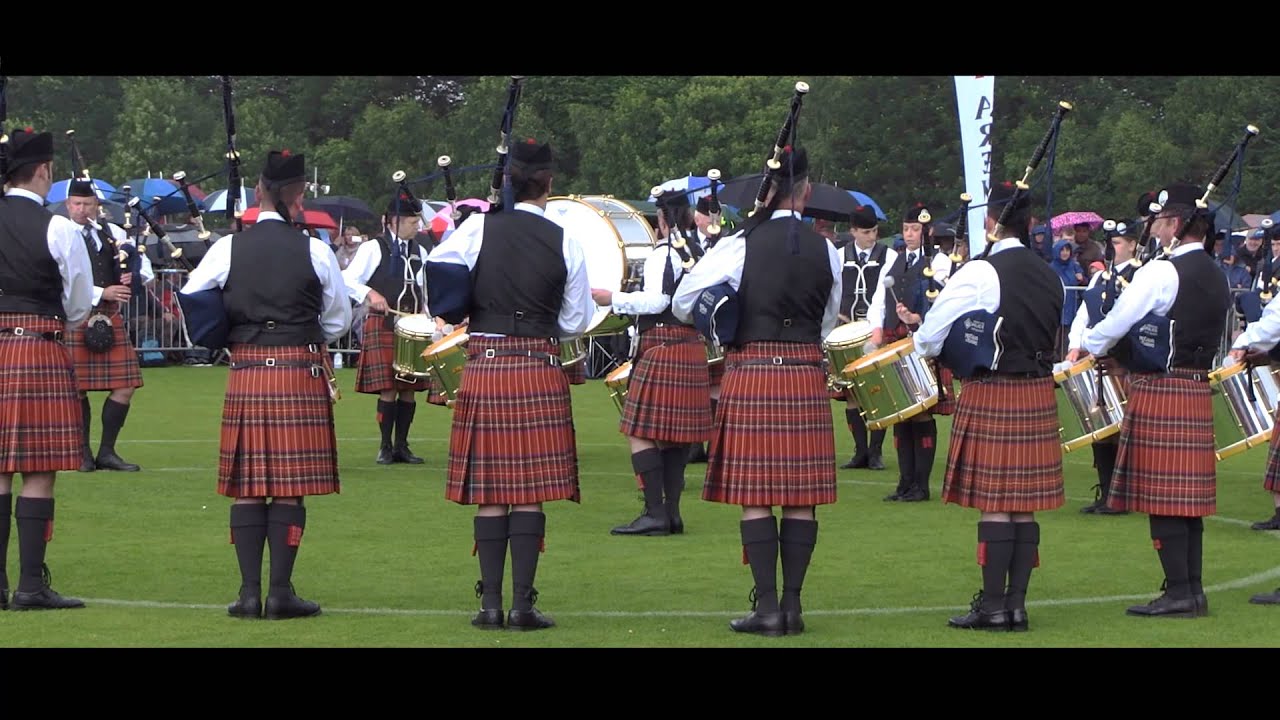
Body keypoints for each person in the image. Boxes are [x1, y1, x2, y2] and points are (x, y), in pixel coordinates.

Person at [672, 146, 842, 637]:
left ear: (766, 192)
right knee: (801, 496)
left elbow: (685, 302)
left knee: (757, 496)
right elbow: (828, 320)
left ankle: (766, 606)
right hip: (806, 371)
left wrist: (725, 311)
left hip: (754, 371)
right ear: (805, 191)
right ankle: (792, 607)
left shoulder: (738, 244)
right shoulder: (826, 249)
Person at [425, 139, 593, 631]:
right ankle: (522, 604)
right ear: (550, 183)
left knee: (491, 492)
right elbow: (575, 320)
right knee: (529, 491)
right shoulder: (567, 239)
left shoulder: (477, 227)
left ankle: (489, 604)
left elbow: (441, 272)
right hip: (539, 363)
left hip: (487, 362)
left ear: (507, 181)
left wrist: (465, 307)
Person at [180, 150, 351, 620]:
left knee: (249, 487)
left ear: (259, 193)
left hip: (249, 370)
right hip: (298, 371)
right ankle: (281, 593)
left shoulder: (227, 247)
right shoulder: (315, 250)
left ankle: (248, 593)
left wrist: (225, 332)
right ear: (298, 197)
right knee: (290, 487)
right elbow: (336, 320)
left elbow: (193, 296)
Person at [914, 181, 1064, 631]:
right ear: (1032, 223)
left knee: (997, 503)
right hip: (1038, 389)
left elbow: (928, 337)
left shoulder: (981, 273)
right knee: (1025, 505)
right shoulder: (1051, 275)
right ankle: (1016, 606)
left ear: (989, 222)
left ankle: (993, 606)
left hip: (993, 389)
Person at [1083, 181, 1228, 619]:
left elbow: (1115, 322)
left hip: (1161, 388)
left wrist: (1092, 343)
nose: (1156, 228)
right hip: (1195, 385)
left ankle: (1178, 593)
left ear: (1177, 224)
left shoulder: (1161, 272)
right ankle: (1192, 590)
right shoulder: (1217, 274)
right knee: (1188, 500)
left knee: (1163, 497)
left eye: (1162, 220)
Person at [0, 128, 95, 610]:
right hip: (38, 346)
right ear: (43, 171)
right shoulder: (59, 228)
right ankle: (30, 586)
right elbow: (79, 303)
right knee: (38, 470)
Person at [595, 188, 711, 536]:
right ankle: (672, 514)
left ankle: (654, 512)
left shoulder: (665, 252)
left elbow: (658, 300)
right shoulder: (699, 250)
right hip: (691, 345)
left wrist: (613, 298)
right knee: (675, 438)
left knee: (639, 432)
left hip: (663, 344)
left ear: (661, 220)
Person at [342, 194, 439, 464]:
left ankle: (402, 446)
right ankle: (385, 446)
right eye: (411, 221)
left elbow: (426, 289)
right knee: (388, 388)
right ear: (393, 222)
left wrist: (431, 317)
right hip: (384, 325)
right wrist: (371, 294)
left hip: (414, 326)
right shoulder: (375, 247)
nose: (417, 226)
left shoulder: (420, 250)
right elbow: (348, 279)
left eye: (417, 221)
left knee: (408, 387)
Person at [62, 179, 152, 473]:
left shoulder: (113, 233)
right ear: (67, 205)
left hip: (109, 316)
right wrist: (102, 292)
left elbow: (144, 272)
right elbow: (62, 278)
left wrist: (130, 278)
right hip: (76, 313)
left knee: (125, 386)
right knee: (76, 387)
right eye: (76, 203)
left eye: (87, 204)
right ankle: (82, 452)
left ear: (97, 205)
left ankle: (107, 452)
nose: (81, 209)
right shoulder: (60, 233)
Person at [870, 203, 947, 502]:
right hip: (895, 342)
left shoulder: (938, 263)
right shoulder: (896, 261)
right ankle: (905, 483)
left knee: (920, 414)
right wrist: (876, 330)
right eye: (906, 229)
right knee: (901, 414)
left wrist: (919, 318)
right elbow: (879, 299)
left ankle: (921, 485)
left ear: (927, 231)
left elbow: (944, 301)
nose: (909, 234)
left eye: (915, 229)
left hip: (921, 342)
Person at [1065, 218, 1141, 516]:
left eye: (1120, 243)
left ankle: (1123, 495)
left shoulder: (1141, 275)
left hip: (1124, 361)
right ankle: (1106, 490)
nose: (1114, 247)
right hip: (1098, 359)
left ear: (1134, 244)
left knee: (1123, 430)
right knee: (1099, 428)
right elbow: (1084, 314)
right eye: (1112, 243)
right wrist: (1075, 344)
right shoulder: (1100, 277)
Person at [834, 204, 892, 471]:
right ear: (853, 231)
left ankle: (876, 452)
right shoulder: (838, 255)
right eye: (866, 232)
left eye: (875, 231)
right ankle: (860, 452)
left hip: (874, 329)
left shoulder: (888, 255)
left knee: (877, 391)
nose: (872, 236)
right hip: (847, 331)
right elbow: (831, 292)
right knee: (852, 394)